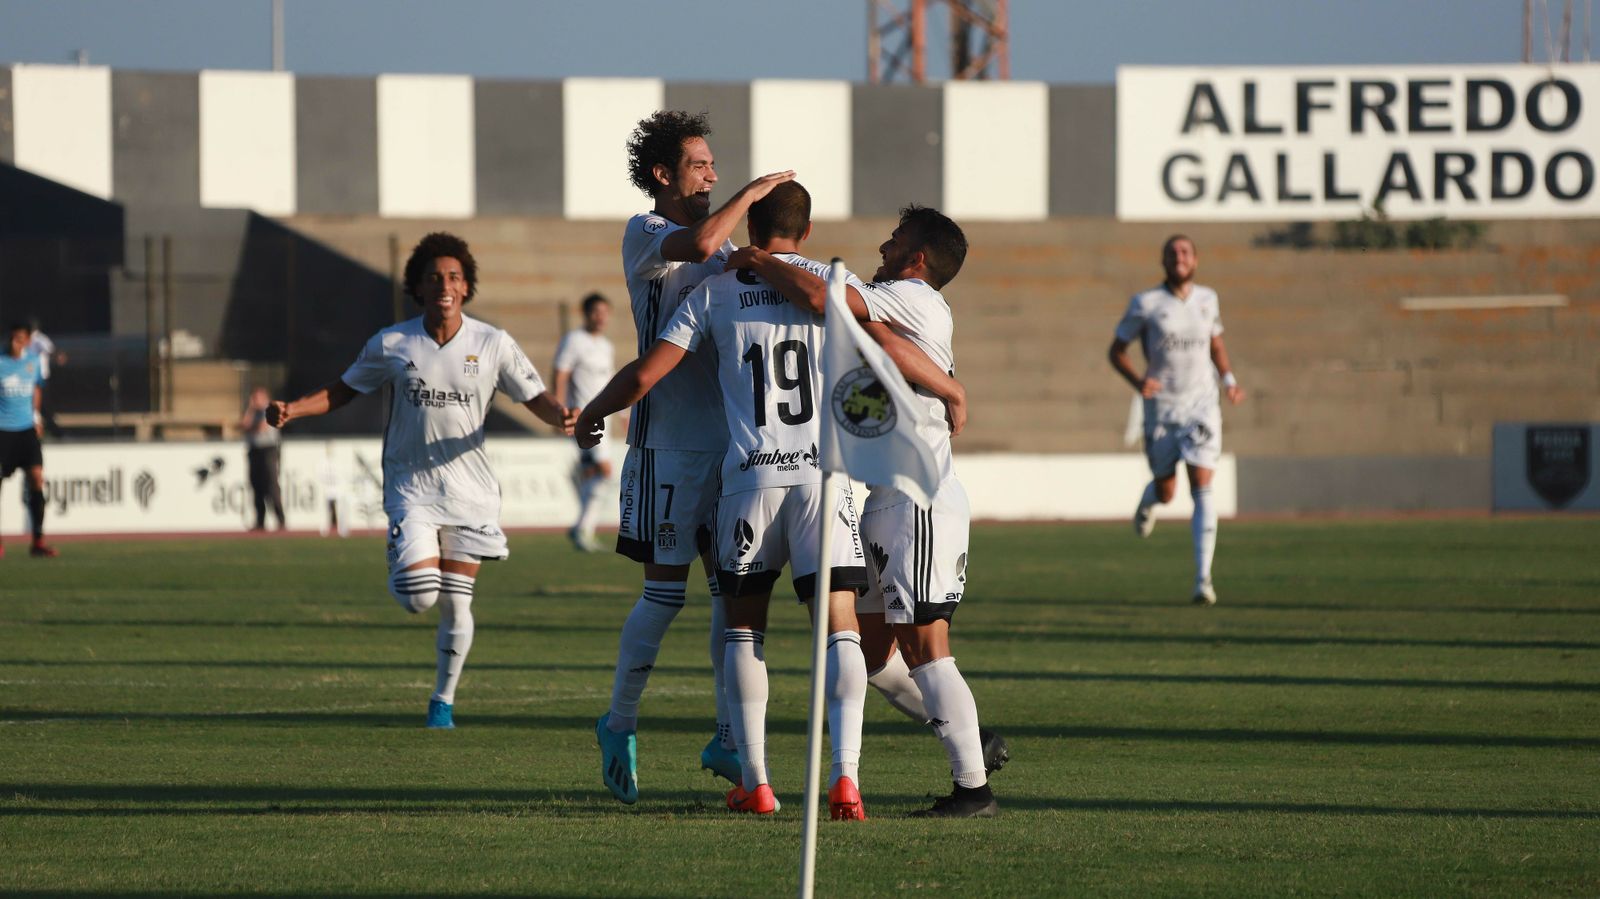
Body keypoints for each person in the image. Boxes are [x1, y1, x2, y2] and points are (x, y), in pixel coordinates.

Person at [580, 181, 884, 818]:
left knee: (744, 627)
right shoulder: (834, 281)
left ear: (750, 226)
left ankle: (757, 781)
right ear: (807, 229)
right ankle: (846, 778)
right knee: (840, 630)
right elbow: (872, 331)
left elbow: (646, 373)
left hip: (748, 479)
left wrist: (595, 409)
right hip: (823, 479)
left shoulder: (715, 289)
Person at [728, 204, 1003, 817]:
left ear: (917, 259)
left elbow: (823, 296)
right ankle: (970, 737)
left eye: (895, 239)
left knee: (927, 645)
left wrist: (761, 259)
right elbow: (875, 339)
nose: (883, 246)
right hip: (883, 501)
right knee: (873, 653)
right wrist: (948, 385)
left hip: (918, 499)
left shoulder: (913, 296)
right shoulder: (896, 307)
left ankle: (973, 787)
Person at [266, 232, 576, 727]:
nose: (444, 285)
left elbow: (535, 396)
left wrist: (562, 416)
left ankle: (442, 701)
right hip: (411, 487)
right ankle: (402, 553)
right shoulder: (392, 342)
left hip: (471, 492)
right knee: (419, 596)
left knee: (456, 604)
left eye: (454, 277)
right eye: (434, 278)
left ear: (467, 286)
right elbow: (343, 390)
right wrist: (293, 409)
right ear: (418, 287)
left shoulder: (493, 343)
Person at [592, 108, 796, 805]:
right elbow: (704, 242)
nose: (712, 175)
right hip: (668, 444)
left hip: (733, 447)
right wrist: (754, 191)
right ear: (663, 174)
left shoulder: (726, 242)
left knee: (729, 599)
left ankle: (728, 738)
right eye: (700, 165)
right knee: (665, 595)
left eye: (714, 165)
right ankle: (619, 722)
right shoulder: (646, 232)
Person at [1108, 234, 1246, 605]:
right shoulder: (1146, 303)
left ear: (1196, 260)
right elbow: (1116, 351)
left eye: (1186, 251)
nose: (1179, 257)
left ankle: (1203, 580)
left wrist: (1229, 380)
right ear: (1164, 261)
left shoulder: (1208, 299)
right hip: (1163, 410)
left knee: (1202, 484)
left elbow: (1216, 344)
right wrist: (1139, 381)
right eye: (1173, 252)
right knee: (1167, 491)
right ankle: (1149, 499)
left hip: (1201, 405)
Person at [552, 293, 616, 553]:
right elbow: (560, 374)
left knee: (593, 474)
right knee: (605, 472)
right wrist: (558, 411)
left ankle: (582, 529)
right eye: (595, 312)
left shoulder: (606, 346)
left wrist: (623, 415)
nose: (600, 317)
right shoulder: (574, 340)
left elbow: (609, 383)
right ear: (585, 314)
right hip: (584, 419)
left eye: (604, 313)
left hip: (604, 420)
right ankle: (583, 528)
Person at [1, 321, 56, 558]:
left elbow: (36, 389)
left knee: (36, 477)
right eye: (13, 339)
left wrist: (36, 416)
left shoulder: (33, 362)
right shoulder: (1, 362)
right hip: (3, 431)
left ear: (27, 341)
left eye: (21, 339)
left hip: (26, 431)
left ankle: (38, 540)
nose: (16, 343)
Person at [240, 386, 286, 532]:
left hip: (268, 450)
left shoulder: (270, 410)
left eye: (257, 398)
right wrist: (250, 408)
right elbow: (244, 425)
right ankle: (260, 521)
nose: (255, 401)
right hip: (255, 451)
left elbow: (261, 427)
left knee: (271, 485)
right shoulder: (253, 412)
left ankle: (280, 520)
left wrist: (251, 427)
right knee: (256, 486)